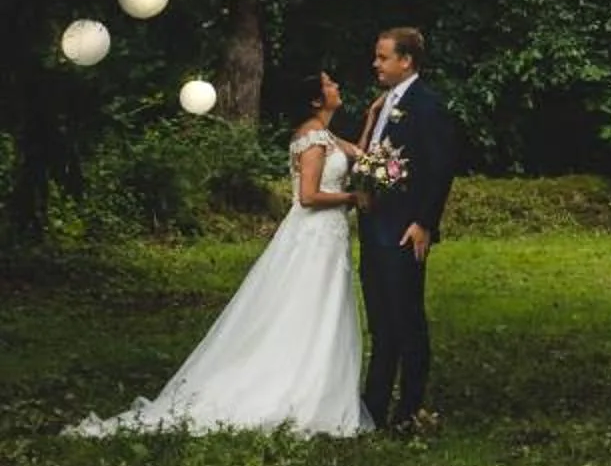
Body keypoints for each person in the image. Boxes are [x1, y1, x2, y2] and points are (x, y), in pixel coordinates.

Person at [67, 64, 371, 436]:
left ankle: (323, 385)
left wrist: (372, 119)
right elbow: (307, 196)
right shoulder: (312, 139)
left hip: (329, 236)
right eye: (328, 83)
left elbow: (362, 155)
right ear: (315, 98)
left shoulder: (326, 134)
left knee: (324, 308)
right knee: (305, 306)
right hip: (313, 235)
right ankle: (296, 387)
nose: (336, 85)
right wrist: (353, 197)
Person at [356, 24, 456, 435]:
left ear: (406, 61)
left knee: (407, 319)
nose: (376, 63)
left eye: (383, 57)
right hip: (374, 227)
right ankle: (374, 406)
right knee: (381, 322)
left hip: (403, 229)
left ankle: (410, 408)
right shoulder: (384, 105)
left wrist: (424, 223)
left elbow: (439, 168)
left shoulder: (427, 106)